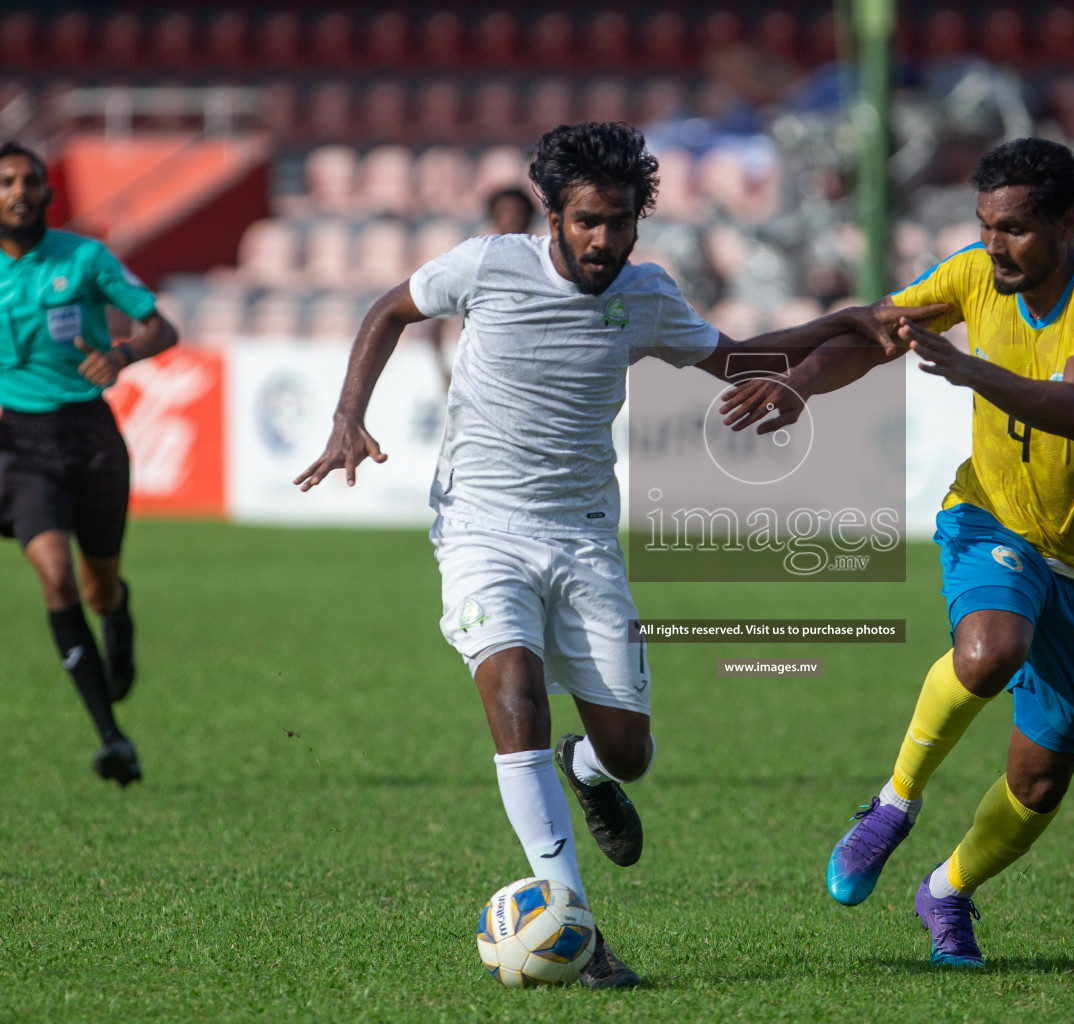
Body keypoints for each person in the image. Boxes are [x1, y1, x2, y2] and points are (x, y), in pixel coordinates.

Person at [292, 122, 943, 988]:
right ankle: (574, 924)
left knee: (629, 751)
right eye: (589, 220)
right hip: (481, 528)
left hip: (584, 536)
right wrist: (347, 417)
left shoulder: (646, 294)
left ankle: (587, 769)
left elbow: (736, 360)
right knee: (514, 691)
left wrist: (845, 325)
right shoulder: (486, 265)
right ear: (553, 216)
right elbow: (388, 309)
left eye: (621, 221)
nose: (606, 239)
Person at [727, 137, 1074, 967]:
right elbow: (875, 332)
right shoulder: (969, 272)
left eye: (1017, 229)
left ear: (1069, 223)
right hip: (990, 517)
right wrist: (801, 383)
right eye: (985, 225)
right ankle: (891, 805)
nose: (995, 245)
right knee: (992, 649)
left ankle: (947, 891)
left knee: (1039, 782)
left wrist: (969, 372)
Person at [0, 141, 178, 785]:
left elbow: (162, 327)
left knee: (99, 587)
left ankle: (119, 615)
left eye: (30, 180)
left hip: (91, 437)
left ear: (48, 192)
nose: (20, 190)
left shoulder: (84, 258)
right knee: (55, 577)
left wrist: (125, 355)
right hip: (19, 446)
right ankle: (113, 739)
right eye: (7, 181)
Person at [426, 187, 540, 390]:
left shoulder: (546, 264)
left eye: (518, 212)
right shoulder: (476, 265)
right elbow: (435, 322)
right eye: (504, 212)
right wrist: (443, 370)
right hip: (484, 380)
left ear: (530, 217)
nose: (512, 219)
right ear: (493, 218)